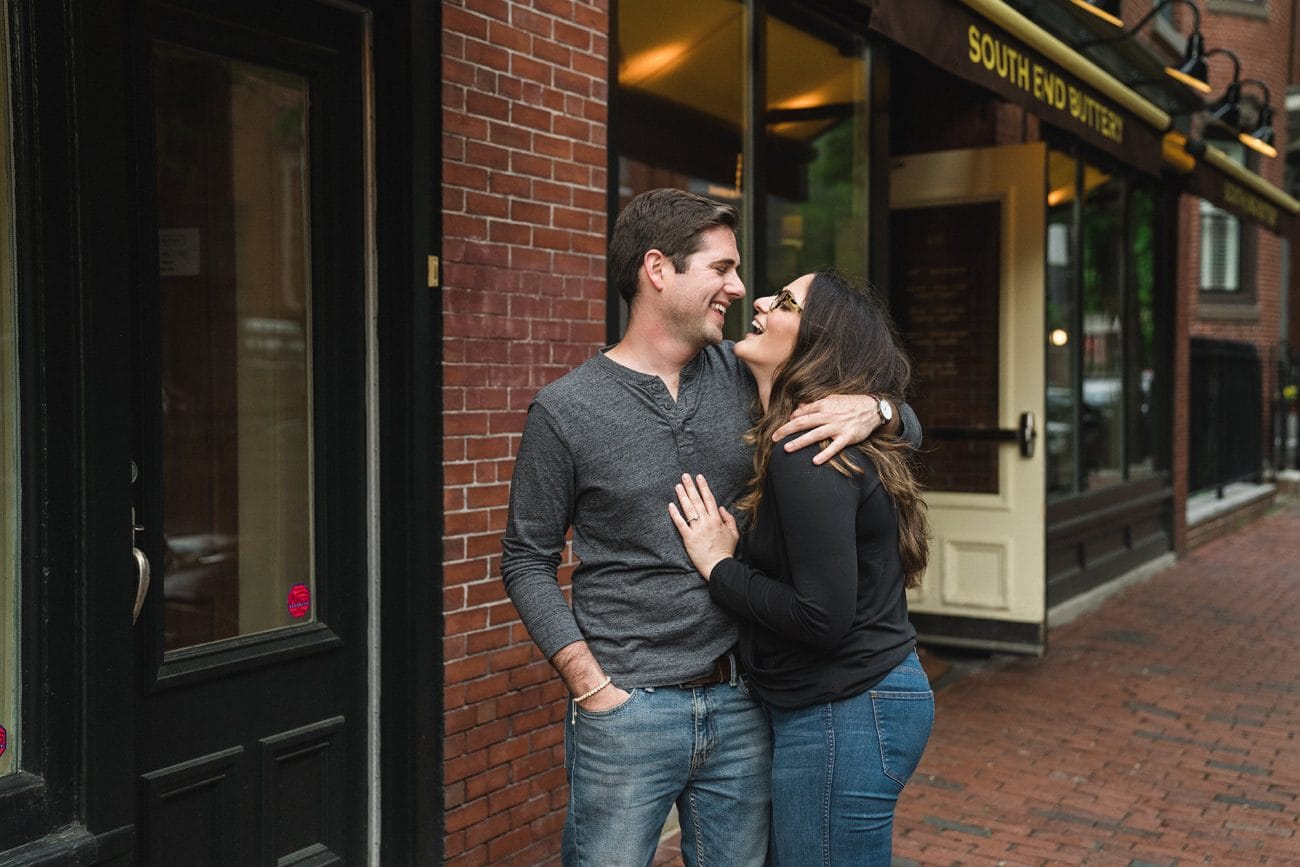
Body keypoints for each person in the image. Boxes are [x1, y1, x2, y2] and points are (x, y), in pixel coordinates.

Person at [501, 189, 920, 867]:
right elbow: (525, 560)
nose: (740, 286)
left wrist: (879, 407)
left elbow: (886, 433)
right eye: (722, 268)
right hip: (628, 708)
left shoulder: (746, 372)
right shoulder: (564, 409)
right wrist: (591, 684)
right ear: (658, 269)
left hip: (743, 702)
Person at [669, 269, 934, 866]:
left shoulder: (806, 450)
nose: (757, 298)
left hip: (847, 709)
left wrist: (719, 566)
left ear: (817, 343)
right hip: (859, 702)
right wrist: (881, 406)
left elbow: (821, 618)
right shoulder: (818, 432)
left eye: (785, 301)